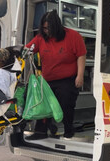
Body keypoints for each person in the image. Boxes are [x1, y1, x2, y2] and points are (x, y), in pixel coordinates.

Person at [25, 10, 86, 140]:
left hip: (67, 79)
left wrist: (80, 76)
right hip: (48, 79)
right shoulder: (41, 38)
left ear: (57, 26)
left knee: (66, 105)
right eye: (44, 28)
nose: (47, 31)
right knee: (43, 104)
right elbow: (28, 49)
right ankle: (40, 132)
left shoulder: (73, 36)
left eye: (49, 28)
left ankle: (68, 131)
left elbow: (81, 55)